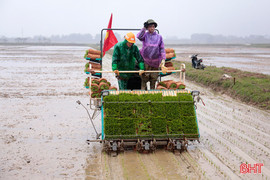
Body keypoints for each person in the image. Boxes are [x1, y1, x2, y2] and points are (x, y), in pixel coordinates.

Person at [137, 19, 167, 90]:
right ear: (147, 28)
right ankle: (143, 93)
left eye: (153, 26)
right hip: (146, 60)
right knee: (144, 79)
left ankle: (152, 93)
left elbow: (162, 48)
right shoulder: (145, 35)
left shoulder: (159, 37)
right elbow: (139, 36)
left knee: (153, 79)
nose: (152, 28)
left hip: (155, 62)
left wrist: (163, 59)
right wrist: (143, 28)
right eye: (150, 27)